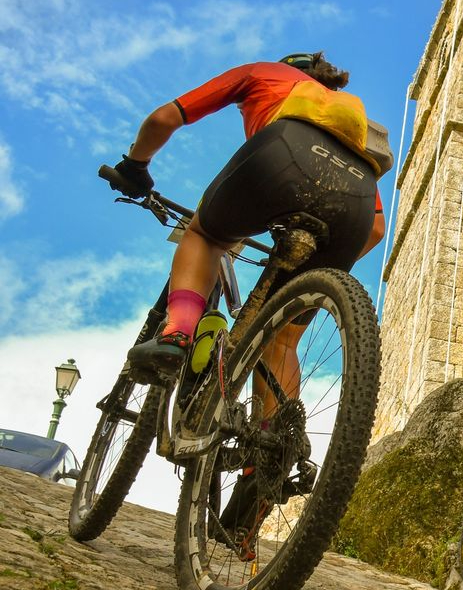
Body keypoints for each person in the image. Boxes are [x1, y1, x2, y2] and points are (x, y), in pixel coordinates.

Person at [112, 52, 389, 432]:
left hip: (280, 158)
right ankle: (269, 452)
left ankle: (176, 335)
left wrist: (135, 165)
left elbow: (165, 118)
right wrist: (316, 266)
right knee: (283, 338)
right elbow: (376, 231)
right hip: (352, 202)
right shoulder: (350, 124)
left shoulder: (262, 73)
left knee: (206, 236)